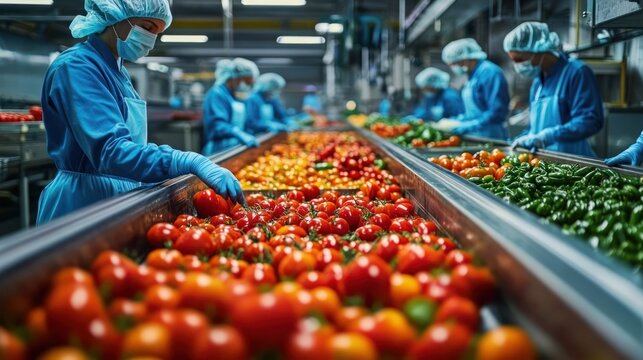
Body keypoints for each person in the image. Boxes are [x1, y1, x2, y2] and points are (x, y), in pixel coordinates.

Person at [37, 0, 243, 225]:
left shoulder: (119, 73)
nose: (151, 39)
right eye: (147, 27)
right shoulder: (77, 67)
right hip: (84, 201)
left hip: (120, 194)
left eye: (157, 33)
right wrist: (182, 160)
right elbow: (111, 151)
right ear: (114, 16)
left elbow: (130, 143)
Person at [505, 22, 603, 157]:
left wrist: (549, 136)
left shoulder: (576, 73)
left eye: (519, 59)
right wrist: (524, 138)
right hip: (543, 165)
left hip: (574, 164)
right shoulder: (537, 83)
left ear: (538, 49)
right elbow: (535, 128)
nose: (517, 66)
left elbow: (590, 121)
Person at [440, 38, 510, 140]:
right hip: (477, 136)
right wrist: (458, 121)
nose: (453, 68)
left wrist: (470, 125)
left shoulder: (489, 73)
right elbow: (474, 113)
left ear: (464, 58)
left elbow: (497, 112)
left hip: (492, 136)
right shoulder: (472, 76)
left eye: (454, 64)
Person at [202, 58, 260, 155]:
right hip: (218, 149)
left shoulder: (234, 95)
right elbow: (217, 125)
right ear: (235, 77)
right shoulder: (217, 94)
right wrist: (237, 132)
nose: (247, 86)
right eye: (246, 82)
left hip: (233, 147)